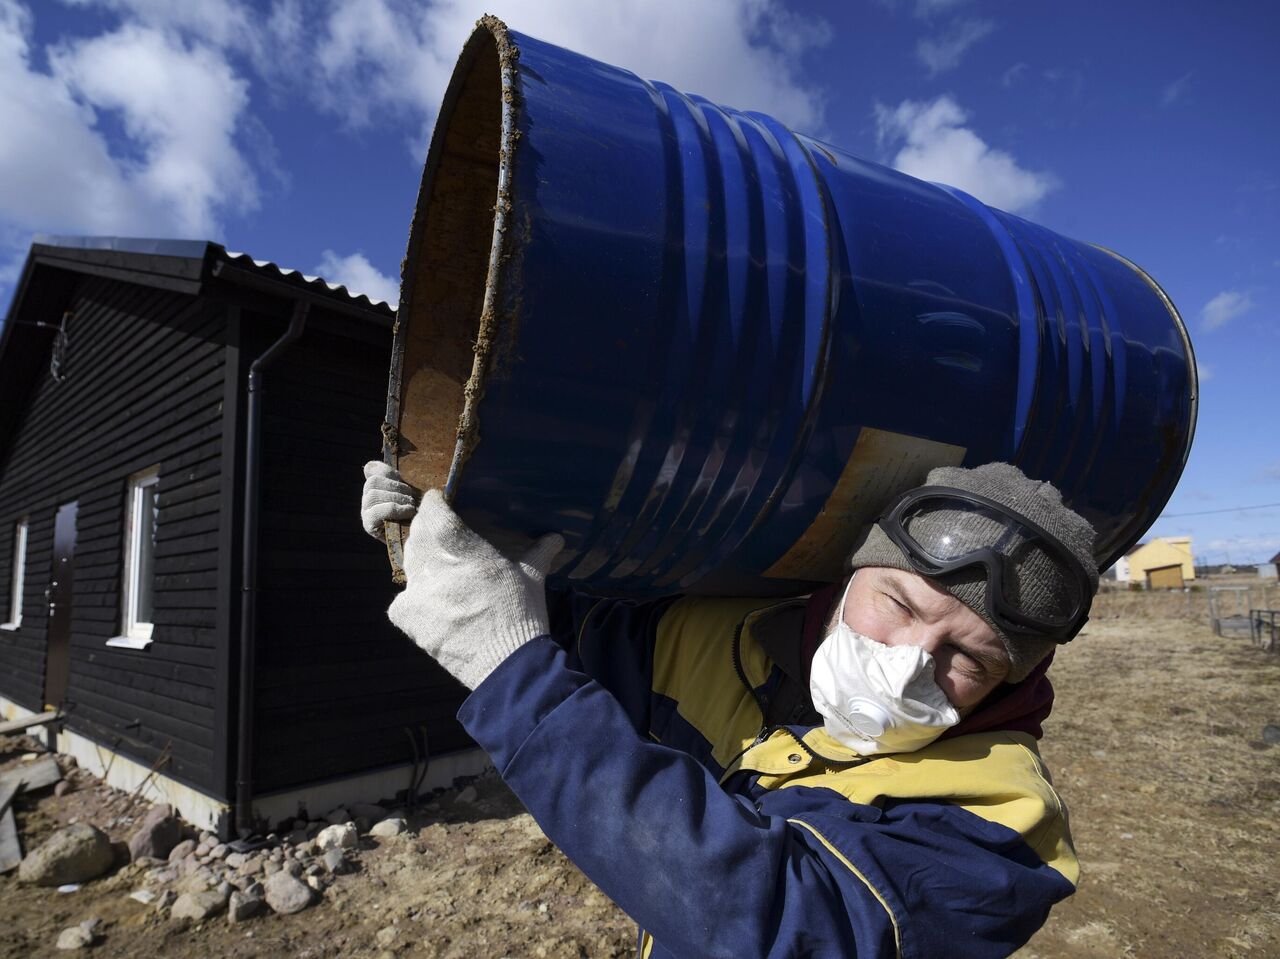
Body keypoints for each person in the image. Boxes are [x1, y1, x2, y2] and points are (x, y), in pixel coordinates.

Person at [359, 460, 1098, 959]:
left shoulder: (1005, 821)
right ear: (853, 572)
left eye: (966, 657)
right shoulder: (725, 638)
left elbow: (780, 922)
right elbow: (553, 627)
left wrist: (510, 669)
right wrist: (451, 539)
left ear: (1008, 682)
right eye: (897, 603)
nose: (908, 662)